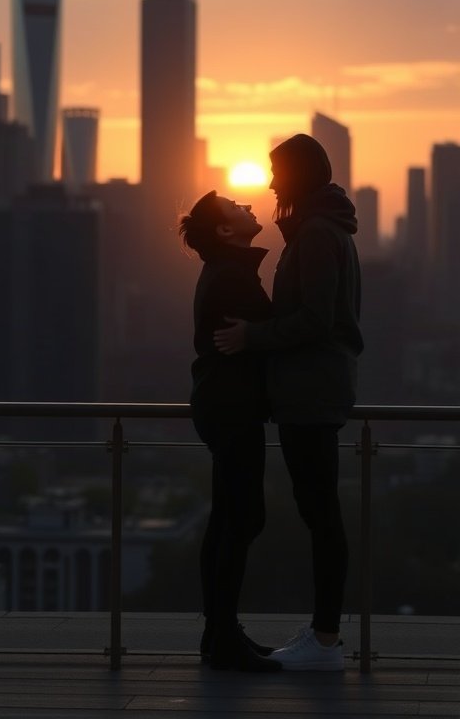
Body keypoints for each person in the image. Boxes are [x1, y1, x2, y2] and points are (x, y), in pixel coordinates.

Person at [214, 134, 363, 672]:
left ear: (299, 175)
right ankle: (323, 636)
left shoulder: (318, 235)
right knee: (319, 512)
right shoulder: (320, 230)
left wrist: (253, 337)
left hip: (311, 394)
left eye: (278, 172)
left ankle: (324, 641)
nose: (272, 183)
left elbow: (316, 321)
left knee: (321, 515)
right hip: (312, 391)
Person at [179, 191, 281, 672]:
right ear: (223, 231)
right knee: (241, 519)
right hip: (231, 407)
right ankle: (223, 637)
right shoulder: (234, 276)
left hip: (222, 404)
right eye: (236, 207)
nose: (248, 206)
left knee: (229, 519)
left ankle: (219, 632)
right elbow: (280, 330)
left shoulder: (227, 269)